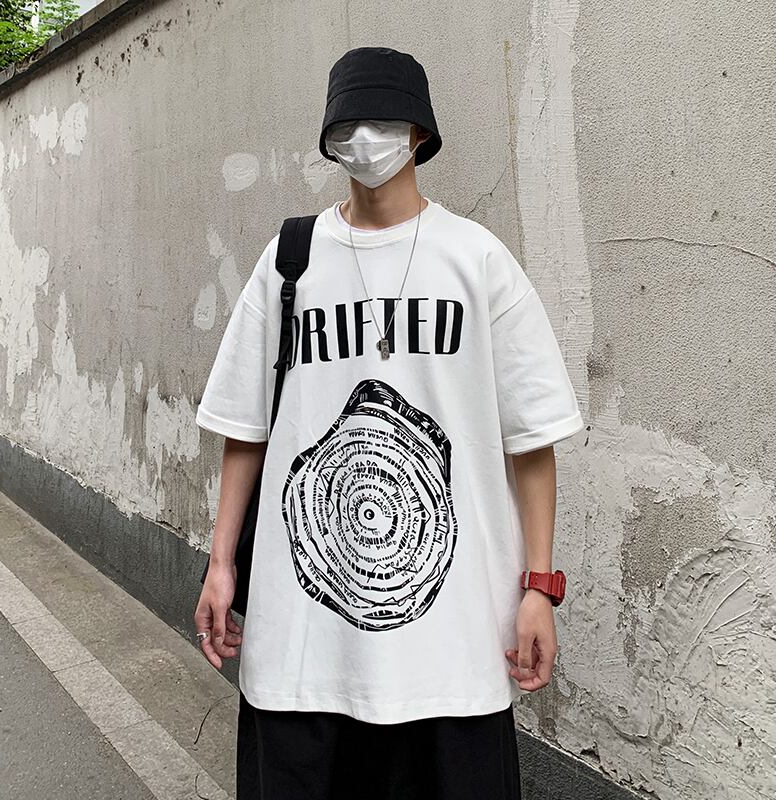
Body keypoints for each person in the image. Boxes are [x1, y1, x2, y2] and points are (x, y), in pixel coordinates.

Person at [193, 46, 584, 800]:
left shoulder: (477, 260)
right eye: (348, 124)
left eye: (383, 122)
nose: (365, 140)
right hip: (304, 652)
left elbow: (531, 440)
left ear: (419, 134)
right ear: (328, 137)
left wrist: (540, 586)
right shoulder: (290, 261)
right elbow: (246, 428)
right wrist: (220, 564)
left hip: (454, 654)